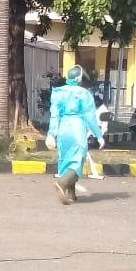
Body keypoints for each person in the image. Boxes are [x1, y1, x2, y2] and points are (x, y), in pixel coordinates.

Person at [46, 65, 105, 205]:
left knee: (66, 159)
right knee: (77, 160)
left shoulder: (58, 92)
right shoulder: (84, 94)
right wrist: (99, 136)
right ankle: (62, 183)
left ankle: (71, 193)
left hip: (62, 129)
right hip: (77, 128)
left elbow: (54, 115)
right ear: (79, 79)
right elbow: (90, 118)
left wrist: (50, 134)